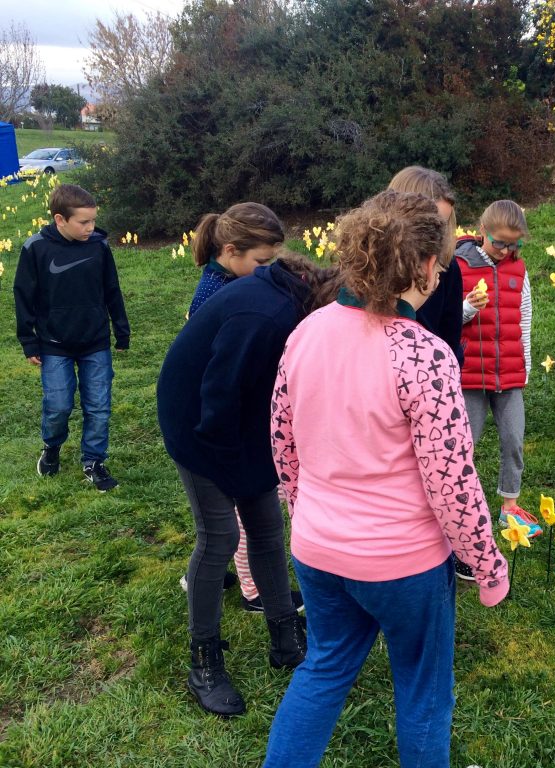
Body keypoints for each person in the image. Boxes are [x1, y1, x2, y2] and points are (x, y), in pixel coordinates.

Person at [262, 190, 508, 768]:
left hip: (318, 550)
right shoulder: (425, 355)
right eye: (441, 264)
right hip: (404, 564)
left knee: (322, 669)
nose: (441, 275)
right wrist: (488, 564)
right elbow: (454, 482)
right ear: (424, 267)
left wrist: (307, 512)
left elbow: (281, 440)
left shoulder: (307, 332)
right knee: (424, 693)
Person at [157, 250, 335, 717]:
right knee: (220, 537)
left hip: (248, 421)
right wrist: (233, 467)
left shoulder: (294, 310)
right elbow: (218, 392)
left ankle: (284, 638)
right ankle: (205, 660)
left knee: (268, 529)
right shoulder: (266, 315)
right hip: (199, 424)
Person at [176, 202, 303, 614]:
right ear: (231, 252)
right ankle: (253, 590)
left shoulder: (230, 282)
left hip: (231, 423)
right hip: (220, 431)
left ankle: (233, 571)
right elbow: (222, 378)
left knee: (241, 519)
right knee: (239, 519)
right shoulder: (223, 296)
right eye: (262, 262)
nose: (269, 271)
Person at [13, 183, 129, 491]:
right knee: (59, 405)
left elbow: (112, 290)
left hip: (95, 341)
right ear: (59, 219)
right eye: (84, 222)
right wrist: (29, 340)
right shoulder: (35, 247)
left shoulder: (99, 246)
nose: (91, 228)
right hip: (54, 344)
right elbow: (23, 295)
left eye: (93, 220)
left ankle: (93, 461)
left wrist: (121, 329)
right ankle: (51, 446)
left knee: (99, 406)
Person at [457, 199, 541, 543]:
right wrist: (466, 309)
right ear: (482, 231)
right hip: (469, 374)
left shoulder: (518, 271)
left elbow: (525, 319)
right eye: (500, 242)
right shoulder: (459, 265)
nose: (507, 250)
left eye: (514, 244)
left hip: (508, 373)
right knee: (465, 444)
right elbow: (447, 320)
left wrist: (525, 365)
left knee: (513, 440)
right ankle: (459, 505)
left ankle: (510, 505)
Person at [387, 166, 462, 365]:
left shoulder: (446, 266)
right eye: (429, 224)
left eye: (442, 225)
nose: (436, 235)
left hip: (431, 375)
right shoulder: (370, 264)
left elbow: (450, 337)